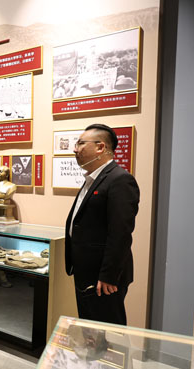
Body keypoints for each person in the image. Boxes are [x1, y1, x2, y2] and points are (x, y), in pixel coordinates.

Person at [65, 123, 140, 325]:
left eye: (81, 143)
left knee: (108, 332)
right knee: (90, 330)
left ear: (100, 147)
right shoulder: (93, 179)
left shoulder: (120, 180)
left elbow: (121, 233)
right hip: (86, 271)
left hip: (103, 278)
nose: (75, 149)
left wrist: (108, 275)